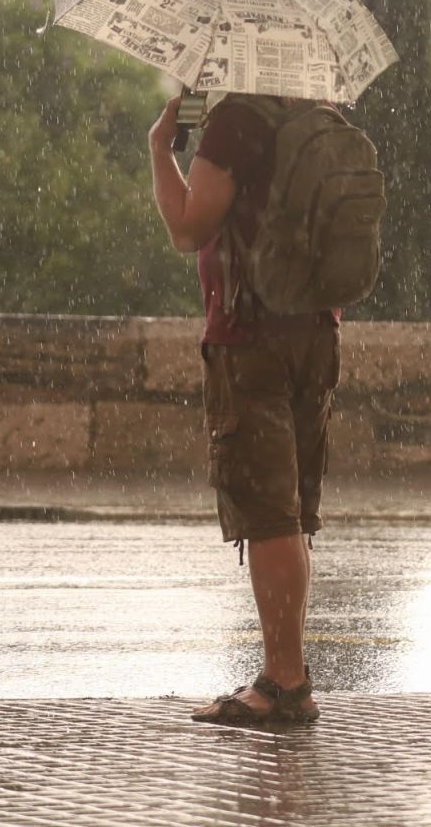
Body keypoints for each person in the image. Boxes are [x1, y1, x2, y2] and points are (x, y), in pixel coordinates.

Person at [148, 91, 340, 728]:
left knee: (268, 513)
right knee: (292, 512)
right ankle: (288, 675)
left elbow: (187, 226)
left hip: (249, 335)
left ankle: (284, 683)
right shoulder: (321, 120)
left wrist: (159, 150)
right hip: (316, 334)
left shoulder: (237, 123)